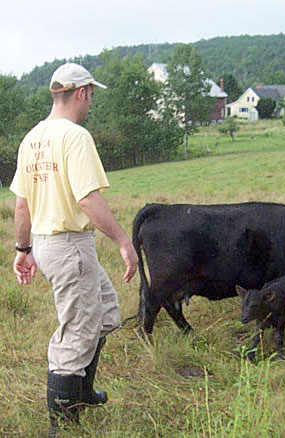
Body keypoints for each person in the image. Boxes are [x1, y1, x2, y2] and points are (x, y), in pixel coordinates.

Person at [10, 63, 138, 437]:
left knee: (107, 312)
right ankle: (63, 426)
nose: (91, 102)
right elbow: (87, 199)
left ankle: (81, 392)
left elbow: (21, 206)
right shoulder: (75, 137)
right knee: (77, 332)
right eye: (91, 95)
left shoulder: (31, 139)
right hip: (70, 246)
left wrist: (24, 248)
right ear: (81, 92)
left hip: (50, 245)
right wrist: (123, 241)